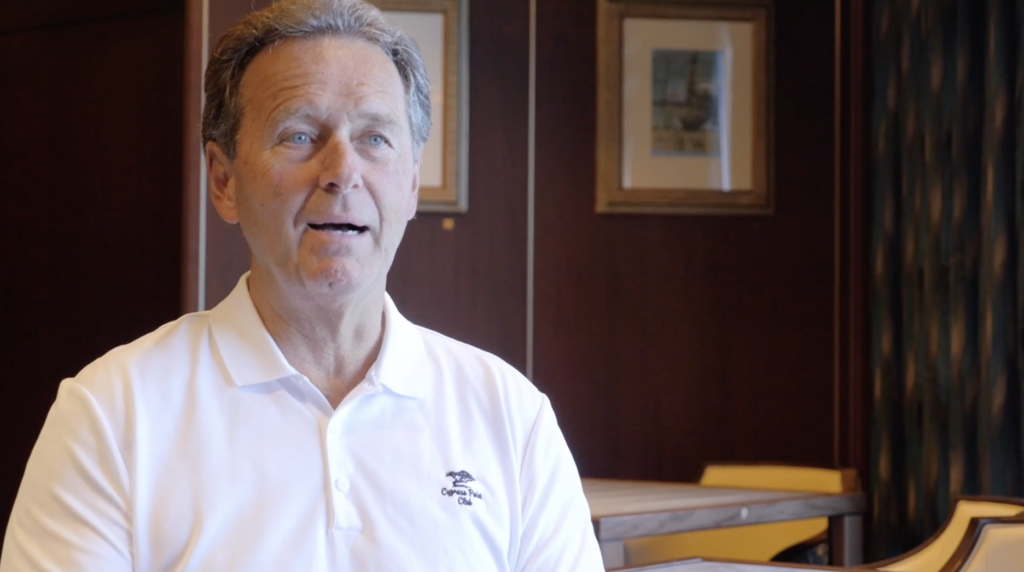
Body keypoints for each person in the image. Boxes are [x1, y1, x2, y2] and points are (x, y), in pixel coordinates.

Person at [0, 0, 604, 569]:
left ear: (412, 184)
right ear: (224, 181)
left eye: (374, 138)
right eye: (298, 135)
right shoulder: (111, 414)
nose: (342, 171)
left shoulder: (509, 416)